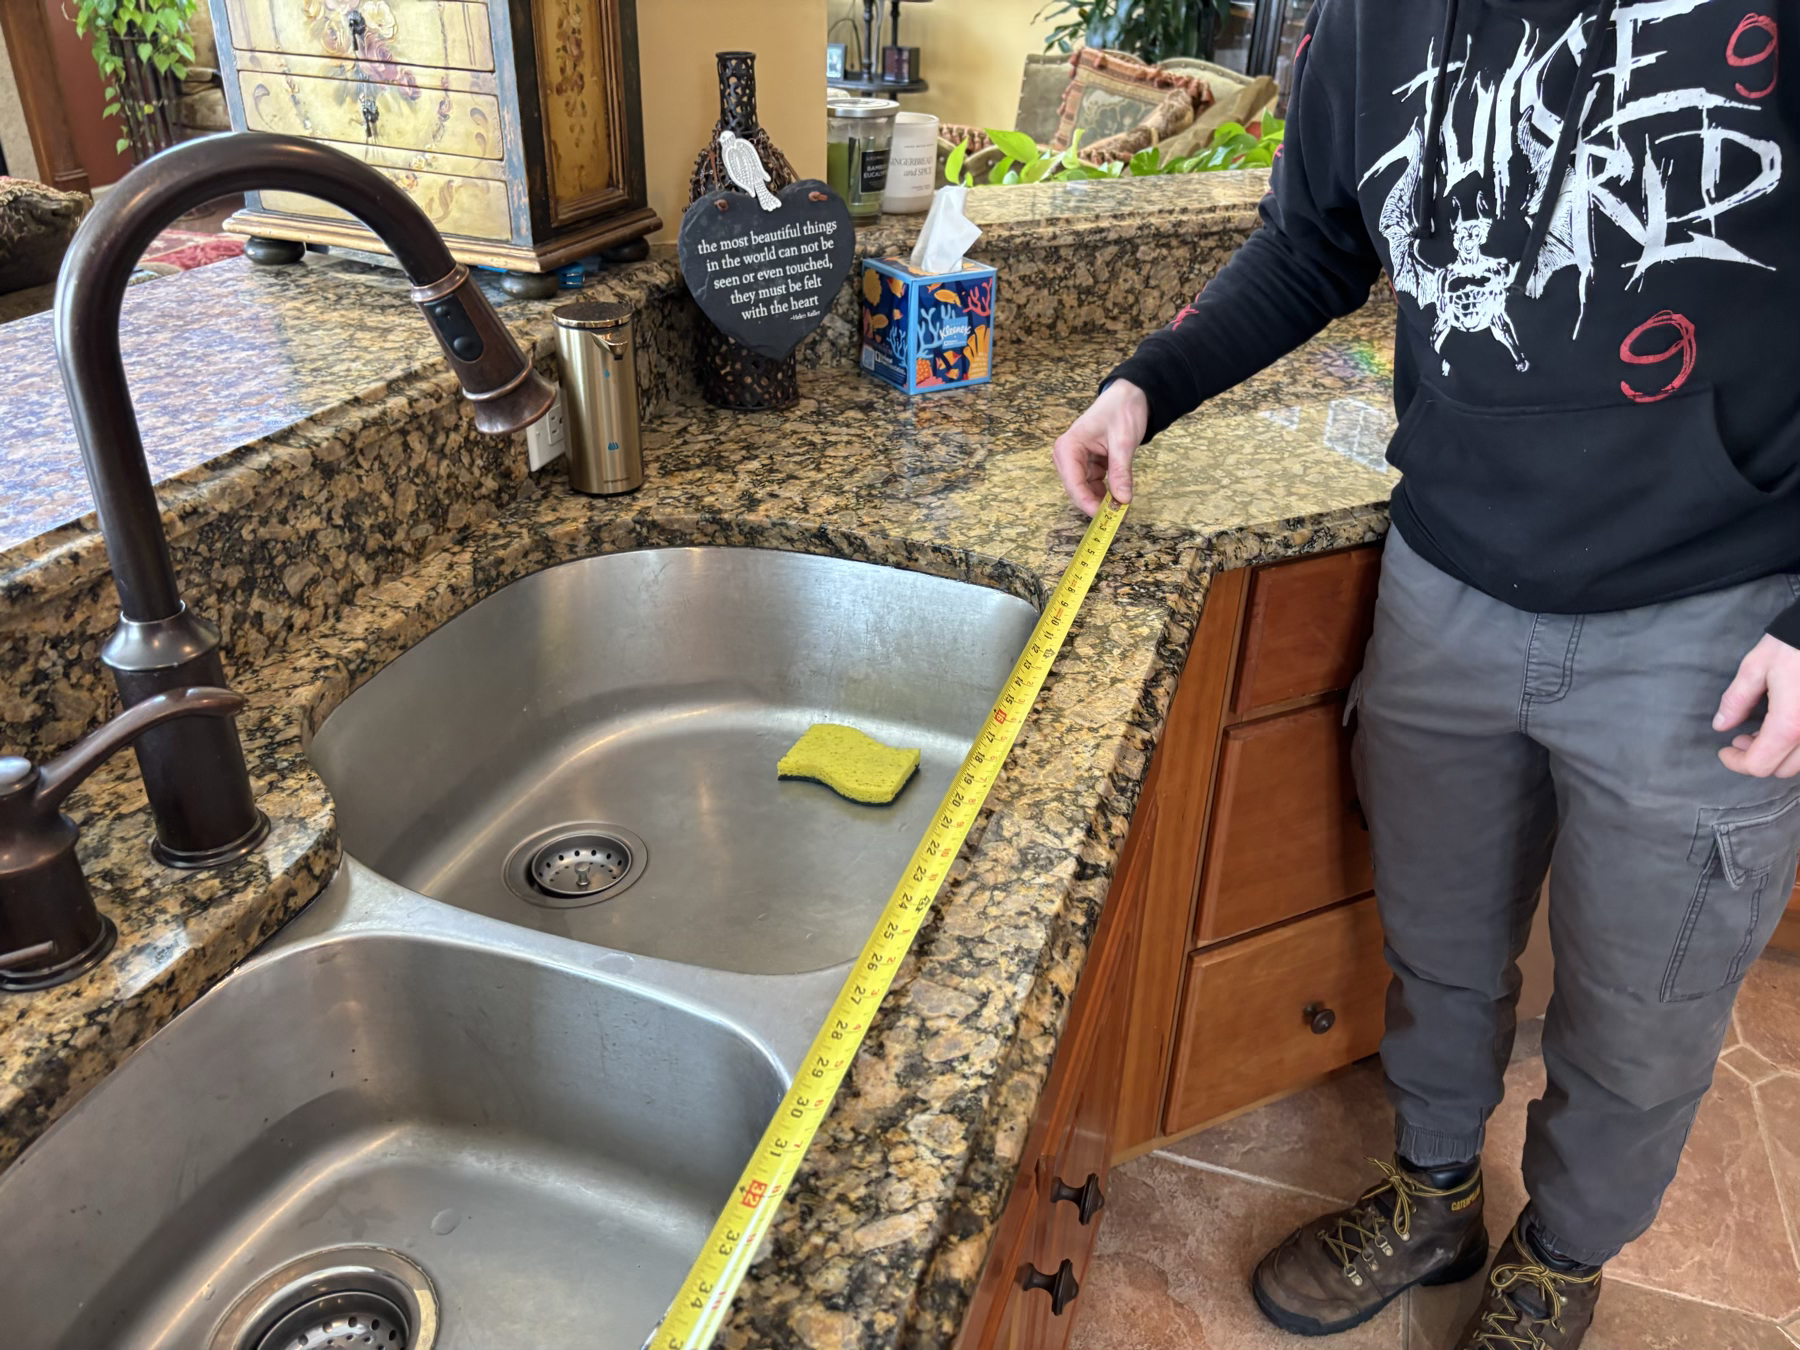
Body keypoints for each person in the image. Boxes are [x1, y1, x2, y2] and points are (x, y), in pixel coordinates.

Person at [1052, 2, 1796, 1346]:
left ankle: (1561, 1260)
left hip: (1712, 611)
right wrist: (1147, 383)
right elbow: (1313, 242)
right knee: (1441, 953)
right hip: (1446, 574)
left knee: (1644, 1014)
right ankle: (1433, 1191)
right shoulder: (1367, 16)